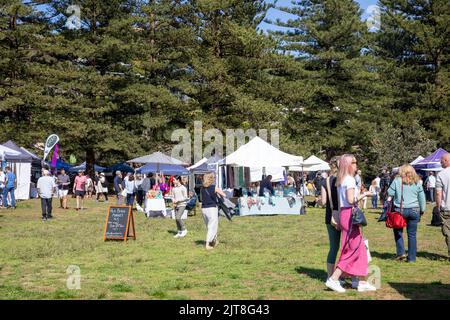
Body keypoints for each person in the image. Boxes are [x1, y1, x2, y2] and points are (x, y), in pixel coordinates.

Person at [325, 154, 375, 293]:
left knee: (358, 249)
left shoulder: (341, 180)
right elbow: (351, 200)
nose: (356, 164)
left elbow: (342, 203)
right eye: (354, 162)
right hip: (350, 215)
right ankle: (334, 279)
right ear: (348, 164)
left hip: (345, 214)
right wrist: (365, 195)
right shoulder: (350, 180)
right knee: (353, 250)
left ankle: (361, 281)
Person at [387, 164, 426, 262]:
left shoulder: (397, 180)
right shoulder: (417, 182)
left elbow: (390, 193)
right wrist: (422, 209)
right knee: (412, 235)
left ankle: (401, 253)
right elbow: (422, 198)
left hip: (400, 210)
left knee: (398, 232)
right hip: (414, 210)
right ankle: (412, 258)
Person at [320, 156, 341, 278]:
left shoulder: (325, 181)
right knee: (347, 247)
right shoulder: (344, 179)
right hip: (344, 216)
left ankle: (330, 275)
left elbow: (323, 202)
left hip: (330, 216)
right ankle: (345, 275)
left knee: (333, 247)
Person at [201, 172, 227, 250]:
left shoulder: (202, 188)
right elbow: (224, 195)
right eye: (214, 178)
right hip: (212, 208)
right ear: (211, 179)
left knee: (209, 226)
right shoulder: (214, 187)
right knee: (212, 226)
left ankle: (214, 241)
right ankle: (207, 244)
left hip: (203, 209)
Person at [436, 153, 450, 259]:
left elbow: (438, 193)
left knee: (448, 232)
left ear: (446, 161)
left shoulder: (441, 174)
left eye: (441, 161)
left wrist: (438, 206)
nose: (440, 163)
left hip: (447, 208)